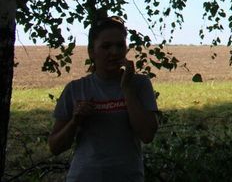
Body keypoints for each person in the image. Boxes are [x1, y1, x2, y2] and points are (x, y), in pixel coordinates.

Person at [49, 16, 159, 181]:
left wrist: (127, 89)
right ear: (92, 52)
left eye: (120, 45)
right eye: (106, 46)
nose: (114, 52)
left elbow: (147, 135)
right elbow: (55, 147)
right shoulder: (76, 89)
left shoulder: (140, 84)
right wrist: (75, 121)